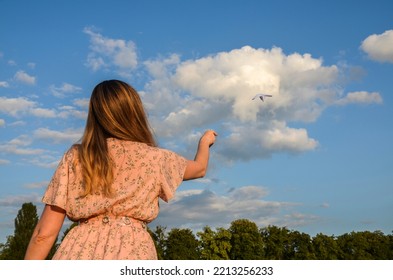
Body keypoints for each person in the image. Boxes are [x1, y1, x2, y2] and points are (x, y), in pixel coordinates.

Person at [24, 79, 217, 260]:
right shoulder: (156, 157)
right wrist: (205, 141)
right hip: (133, 251)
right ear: (135, 113)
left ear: (95, 115)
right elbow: (199, 169)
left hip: (77, 251)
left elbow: (43, 234)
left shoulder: (76, 156)